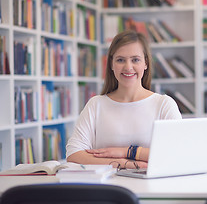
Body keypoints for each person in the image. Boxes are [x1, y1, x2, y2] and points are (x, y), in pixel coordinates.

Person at [66, 30, 182, 169]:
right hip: (107, 188)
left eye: (135, 60)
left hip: (151, 188)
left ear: (145, 63)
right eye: (120, 60)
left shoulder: (164, 104)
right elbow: (74, 154)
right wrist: (128, 164)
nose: (128, 67)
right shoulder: (96, 104)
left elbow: (177, 154)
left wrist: (128, 151)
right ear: (111, 64)